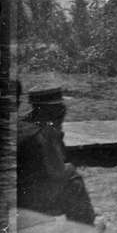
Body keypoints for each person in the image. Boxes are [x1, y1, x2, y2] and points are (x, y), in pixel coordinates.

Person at [17, 86, 97, 225]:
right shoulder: (45, 133)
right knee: (73, 180)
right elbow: (57, 172)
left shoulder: (21, 125)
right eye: (61, 107)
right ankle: (86, 231)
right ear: (55, 110)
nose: (63, 111)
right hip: (28, 200)